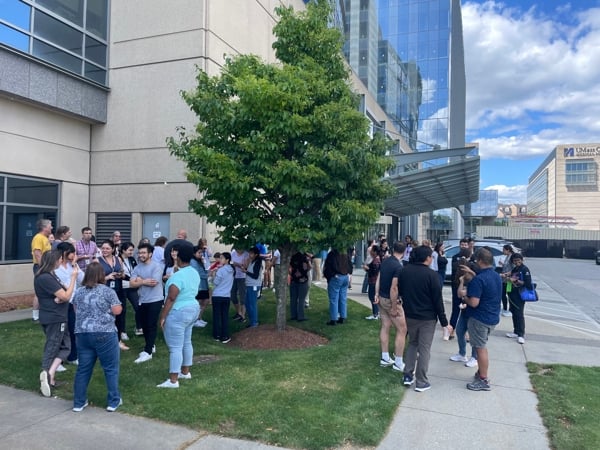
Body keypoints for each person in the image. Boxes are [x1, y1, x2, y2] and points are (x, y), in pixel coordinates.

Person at [71, 262, 123, 412]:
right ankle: (113, 401)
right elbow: (117, 310)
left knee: (83, 368)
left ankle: (79, 402)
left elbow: (76, 309)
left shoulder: (79, 292)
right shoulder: (108, 292)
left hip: (83, 333)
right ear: (101, 275)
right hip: (105, 333)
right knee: (110, 368)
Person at [399, 245, 450, 392]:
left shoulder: (404, 271)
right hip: (427, 318)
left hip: (410, 314)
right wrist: (444, 322)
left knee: (413, 344)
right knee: (424, 349)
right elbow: (437, 300)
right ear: (427, 258)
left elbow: (401, 291)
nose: (432, 259)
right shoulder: (432, 275)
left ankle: (408, 375)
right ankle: (421, 381)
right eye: (431, 257)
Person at [34, 250, 79, 397]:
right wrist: (73, 278)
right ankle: (46, 372)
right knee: (53, 346)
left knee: (66, 346)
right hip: (54, 317)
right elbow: (66, 295)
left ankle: (51, 375)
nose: (61, 261)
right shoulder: (45, 277)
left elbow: (62, 292)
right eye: (60, 259)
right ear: (54, 260)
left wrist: (60, 297)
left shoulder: (51, 275)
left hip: (57, 315)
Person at [157, 245, 201, 388]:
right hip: (193, 308)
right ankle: (185, 372)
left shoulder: (177, 277)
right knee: (186, 342)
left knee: (175, 347)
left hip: (178, 311)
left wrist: (163, 317)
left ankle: (173, 380)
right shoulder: (194, 272)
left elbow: (171, 298)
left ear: (179, 257)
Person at [459, 247, 502, 391]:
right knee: (481, 346)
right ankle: (481, 373)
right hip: (492, 317)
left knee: (480, 348)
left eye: (476, 260)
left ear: (481, 261)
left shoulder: (478, 280)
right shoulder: (496, 276)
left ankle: (483, 379)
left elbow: (474, 302)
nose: (475, 263)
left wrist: (464, 297)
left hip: (479, 318)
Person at [129, 243, 164, 363]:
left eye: (144, 253)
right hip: (142, 299)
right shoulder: (137, 267)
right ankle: (151, 344)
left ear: (150, 254)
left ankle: (148, 352)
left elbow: (153, 282)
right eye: (139, 253)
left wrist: (139, 280)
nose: (141, 255)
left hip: (155, 299)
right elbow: (131, 283)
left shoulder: (156, 267)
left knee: (151, 324)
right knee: (143, 325)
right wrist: (143, 281)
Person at [374, 241, 406, 371]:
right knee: (402, 330)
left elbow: (379, 279)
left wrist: (376, 294)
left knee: (385, 326)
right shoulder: (398, 267)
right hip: (391, 300)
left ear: (393, 249)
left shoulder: (385, 261)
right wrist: (394, 307)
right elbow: (394, 288)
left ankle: (385, 357)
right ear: (404, 252)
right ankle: (398, 363)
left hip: (381, 298)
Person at [54, 242, 84, 367]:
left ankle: (73, 356)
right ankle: (57, 360)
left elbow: (82, 279)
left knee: (72, 329)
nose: (73, 255)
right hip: (60, 303)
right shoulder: (55, 267)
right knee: (59, 333)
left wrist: (75, 266)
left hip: (71, 302)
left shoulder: (73, 266)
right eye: (71, 253)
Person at [97, 240, 128, 350]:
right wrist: (107, 277)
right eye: (103, 248)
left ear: (113, 249)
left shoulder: (118, 259)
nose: (104, 250)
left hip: (118, 290)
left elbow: (123, 273)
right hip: (104, 292)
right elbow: (93, 278)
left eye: (107, 248)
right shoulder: (97, 260)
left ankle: (118, 340)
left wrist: (120, 275)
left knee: (119, 315)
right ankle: (103, 340)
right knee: (104, 316)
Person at [449, 262, 478, 367]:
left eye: (466, 273)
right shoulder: (466, 281)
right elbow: (459, 293)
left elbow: (463, 294)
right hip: (464, 311)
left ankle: (474, 357)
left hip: (473, 313)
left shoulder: (476, 282)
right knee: (460, 331)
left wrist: (464, 294)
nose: (465, 275)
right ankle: (462, 353)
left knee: (474, 336)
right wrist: (461, 282)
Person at [506, 253, 532, 345]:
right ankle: (516, 331)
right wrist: (508, 278)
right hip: (512, 293)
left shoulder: (525, 269)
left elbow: (528, 283)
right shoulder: (515, 269)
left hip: (520, 295)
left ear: (522, 260)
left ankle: (521, 334)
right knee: (514, 312)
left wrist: (516, 280)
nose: (516, 262)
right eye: (514, 261)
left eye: (518, 260)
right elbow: (511, 276)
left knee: (519, 313)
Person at [31, 218, 53, 321]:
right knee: (39, 291)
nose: (51, 227)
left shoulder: (45, 238)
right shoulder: (38, 238)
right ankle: (35, 316)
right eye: (50, 226)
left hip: (47, 267)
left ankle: (44, 312)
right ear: (44, 227)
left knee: (46, 290)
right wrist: (43, 267)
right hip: (40, 267)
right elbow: (37, 253)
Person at [211, 252, 235, 343]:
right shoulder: (232, 270)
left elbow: (216, 282)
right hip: (226, 296)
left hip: (217, 295)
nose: (220, 260)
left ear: (227, 260)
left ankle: (216, 335)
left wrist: (213, 275)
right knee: (224, 316)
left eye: (222, 258)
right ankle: (225, 336)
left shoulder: (221, 270)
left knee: (216, 316)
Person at [120, 242, 142, 337]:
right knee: (123, 309)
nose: (131, 252)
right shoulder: (118, 259)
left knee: (138, 306)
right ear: (123, 250)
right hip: (122, 286)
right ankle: (122, 331)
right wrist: (130, 278)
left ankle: (139, 327)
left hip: (131, 286)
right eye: (130, 250)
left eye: (132, 250)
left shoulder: (132, 259)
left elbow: (135, 270)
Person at [323, 248, 349, 325]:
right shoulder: (345, 253)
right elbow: (349, 265)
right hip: (345, 276)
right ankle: (342, 317)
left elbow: (328, 267)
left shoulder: (332, 254)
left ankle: (333, 319)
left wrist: (331, 275)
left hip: (336, 277)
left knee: (334, 299)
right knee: (342, 298)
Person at [243, 246, 263, 328]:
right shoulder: (252, 261)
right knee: (247, 303)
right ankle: (252, 320)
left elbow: (255, 275)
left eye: (251, 253)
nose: (249, 255)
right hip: (249, 285)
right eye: (249, 253)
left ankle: (254, 322)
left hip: (254, 285)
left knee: (252, 304)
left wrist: (246, 272)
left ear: (256, 254)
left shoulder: (257, 262)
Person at [289, 251, 312, 321]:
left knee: (293, 299)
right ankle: (301, 316)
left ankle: (293, 315)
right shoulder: (305, 258)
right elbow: (310, 267)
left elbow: (289, 267)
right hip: (303, 280)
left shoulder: (292, 257)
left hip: (293, 280)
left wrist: (292, 274)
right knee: (301, 299)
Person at [191, 245, 210, 328]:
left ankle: (199, 318)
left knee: (205, 301)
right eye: (199, 253)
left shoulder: (199, 261)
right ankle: (195, 320)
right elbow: (197, 273)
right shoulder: (193, 261)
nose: (201, 254)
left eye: (201, 253)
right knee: (199, 302)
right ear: (194, 253)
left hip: (203, 284)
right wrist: (207, 275)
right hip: (199, 285)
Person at [231, 248, 249, 322]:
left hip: (242, 277)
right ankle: (238, 312)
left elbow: (245, 266)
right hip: (234, 276)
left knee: (242, 296)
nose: (238, 250)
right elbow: (231, 262)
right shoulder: (233, 253)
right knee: (233, 295)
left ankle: (243, 315)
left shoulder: (246, 254)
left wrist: (237, 264)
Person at [364, 245, 381, 320]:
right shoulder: (376, 259)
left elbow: (374, 272)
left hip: (374, 281)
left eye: (371, 250)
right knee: (373, 297)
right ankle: (376, 313)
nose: (370, 252)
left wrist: (367, 269)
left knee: (372, 296)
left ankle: (375, 314)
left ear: (375, 252)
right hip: (374, 281)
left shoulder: (376, 261)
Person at [499, 244, 515, 317]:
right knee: (503, 294)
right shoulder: (507, 257)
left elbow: (513, 269)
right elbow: (507, 266)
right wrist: (502, 264)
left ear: (508, 250)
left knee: (509, 294)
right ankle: (505, 308)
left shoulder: (511, 257)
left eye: (504, 250)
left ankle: (510, 309)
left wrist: (506, 274)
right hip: (504, 279)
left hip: (508, 280)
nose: (503, 251)